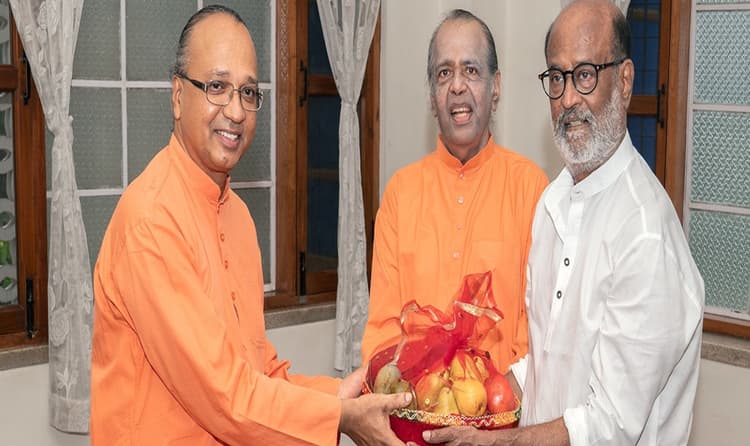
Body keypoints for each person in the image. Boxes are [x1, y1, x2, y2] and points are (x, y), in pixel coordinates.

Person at [90, 6, 410, 445]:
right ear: (178, 96)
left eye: (247, 92)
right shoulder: (152, 220)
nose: (236, 111)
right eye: (217, 87)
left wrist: (339, 394)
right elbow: (225, 397)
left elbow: (256, 371)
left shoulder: (237, 215)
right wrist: (339, 416)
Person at [419, 1, 704, 445]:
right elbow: (545, 362)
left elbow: (608, 427)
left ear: (624, 80)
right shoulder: (553, 202)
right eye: (557, 78)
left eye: (585, 74)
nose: (568, 98)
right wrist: (468, 403)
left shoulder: (644, 232)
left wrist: (493, 442)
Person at [361, 8, 548, 387]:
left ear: (496, 87)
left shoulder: (531, 188)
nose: (457, 86)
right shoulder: (400, 193)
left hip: (504, 412)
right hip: (414, 410)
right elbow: (382, 327)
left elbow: (538, 328)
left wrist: (501, 400)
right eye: (444, 73)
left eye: (471, 70)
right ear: (432, 96)